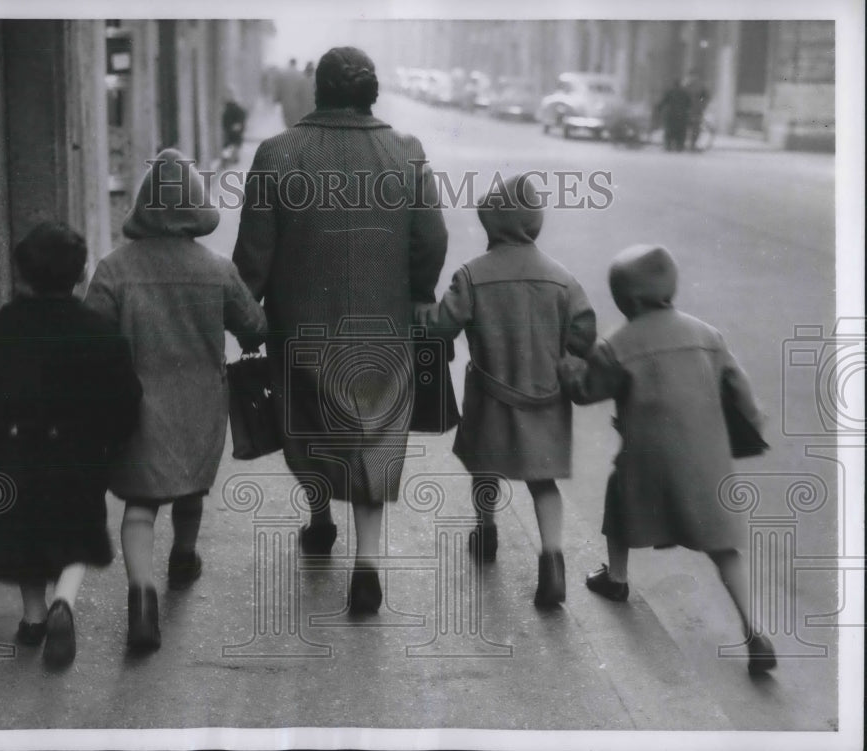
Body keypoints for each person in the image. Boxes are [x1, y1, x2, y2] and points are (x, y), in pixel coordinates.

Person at [233, 46, 448, 614]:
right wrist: (420, 294)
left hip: (300, 325)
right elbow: (431, 239)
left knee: (306, 426)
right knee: (373, 435)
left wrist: (248, 314)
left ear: (319, 91)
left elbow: (253, 253)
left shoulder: (277, 154)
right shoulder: (407, 153)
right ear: (371, 92)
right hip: (383, 325)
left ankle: (320, 516)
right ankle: (368, 562)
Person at [558, 244, 776, 675]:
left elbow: (586, 391)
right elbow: (740, 391)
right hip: (705, 464)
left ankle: (616, 578)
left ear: (631, 301)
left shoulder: (617, 345)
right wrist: (752, 423)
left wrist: (567, 368)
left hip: (647, 464)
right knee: (722, 547)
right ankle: (754, 631)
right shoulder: (708, 335)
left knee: (618, 502)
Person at [84, 148, 266, 653]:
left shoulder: (113, 269)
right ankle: (183, 557)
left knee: (140, 504)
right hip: (201, 401)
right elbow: (254, 326)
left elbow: (90, 336)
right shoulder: (216, 269)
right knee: (189, 490)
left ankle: (141, 601)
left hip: (135, 404)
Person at [0, 222, 142, 669]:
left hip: (15, 455)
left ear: (20, 273)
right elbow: (126, 402)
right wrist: (104, 443)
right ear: (80, 275)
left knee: (27, 534)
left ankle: (34, 617)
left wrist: (2, 437)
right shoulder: (101, 334)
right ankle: (64, 600)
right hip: (78, 457)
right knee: (77, 532)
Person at [415, 174, 596, 607]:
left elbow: (442, 325)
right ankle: (552, 560)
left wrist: (418, 312)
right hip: (546, 397)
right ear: (535, 224)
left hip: (491, 393)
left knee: (485, 468)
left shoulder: (473, 276)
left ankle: (487, 530)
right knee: (543, 480)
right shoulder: (563, 279)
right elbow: (584, 334)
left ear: (490, 225)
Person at [655, 78, 692, 152]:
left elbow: (663, 101)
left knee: (669, 131)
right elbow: (689, 104)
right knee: (681, 131)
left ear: (674, 85)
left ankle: (668, 146)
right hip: (682, 115)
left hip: (671, 114)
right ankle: (679, 146)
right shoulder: (684, 93)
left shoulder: (670, 92)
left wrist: (658, 108)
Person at [275, 57, 310, 128]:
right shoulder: (301, 75)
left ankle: (288, 135)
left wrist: (277, 98)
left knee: (287, 120)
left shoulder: (283, 74)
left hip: (285, 103)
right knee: (294, 121)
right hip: (297, 103)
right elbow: (304, 91)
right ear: (295, 63)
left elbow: (279, 87)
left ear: (289, 63)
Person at [683, 70, 710, 151]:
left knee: (695, 128)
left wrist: (702, 105)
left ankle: (693, 144)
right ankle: (688, 144)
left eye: (694, 76)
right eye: (692, 76)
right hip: (688, 110)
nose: (693, 78)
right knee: (687, 127)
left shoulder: (700, 86)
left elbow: (706, 97)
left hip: (696, 110)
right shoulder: (686, 86)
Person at [221, 88, 247, 166]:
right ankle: (226, 159)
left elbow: (242, 116)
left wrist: (239, 124)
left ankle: (233, 158)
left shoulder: (237, 107)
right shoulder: (226, 106)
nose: (229, 96)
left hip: (235, 129)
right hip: (228, 129)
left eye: (230, 95)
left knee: (235, 143)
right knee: (227, 144)